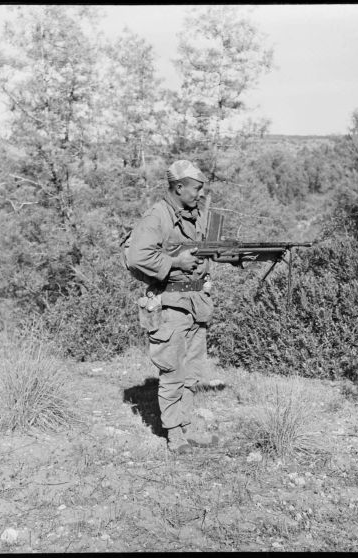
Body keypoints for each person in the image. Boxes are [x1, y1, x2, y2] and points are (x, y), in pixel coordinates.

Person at [126, 160, 218, 454]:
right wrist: (175, 262)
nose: (200, 194)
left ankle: (187, 426)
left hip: (196, 302)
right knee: (173, 372)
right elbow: (137, 257)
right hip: (170, 304)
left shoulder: (194, 216)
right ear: (179, 187)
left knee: (191, 372)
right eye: (196, 189)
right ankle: (174, 435)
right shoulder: (157, 216)